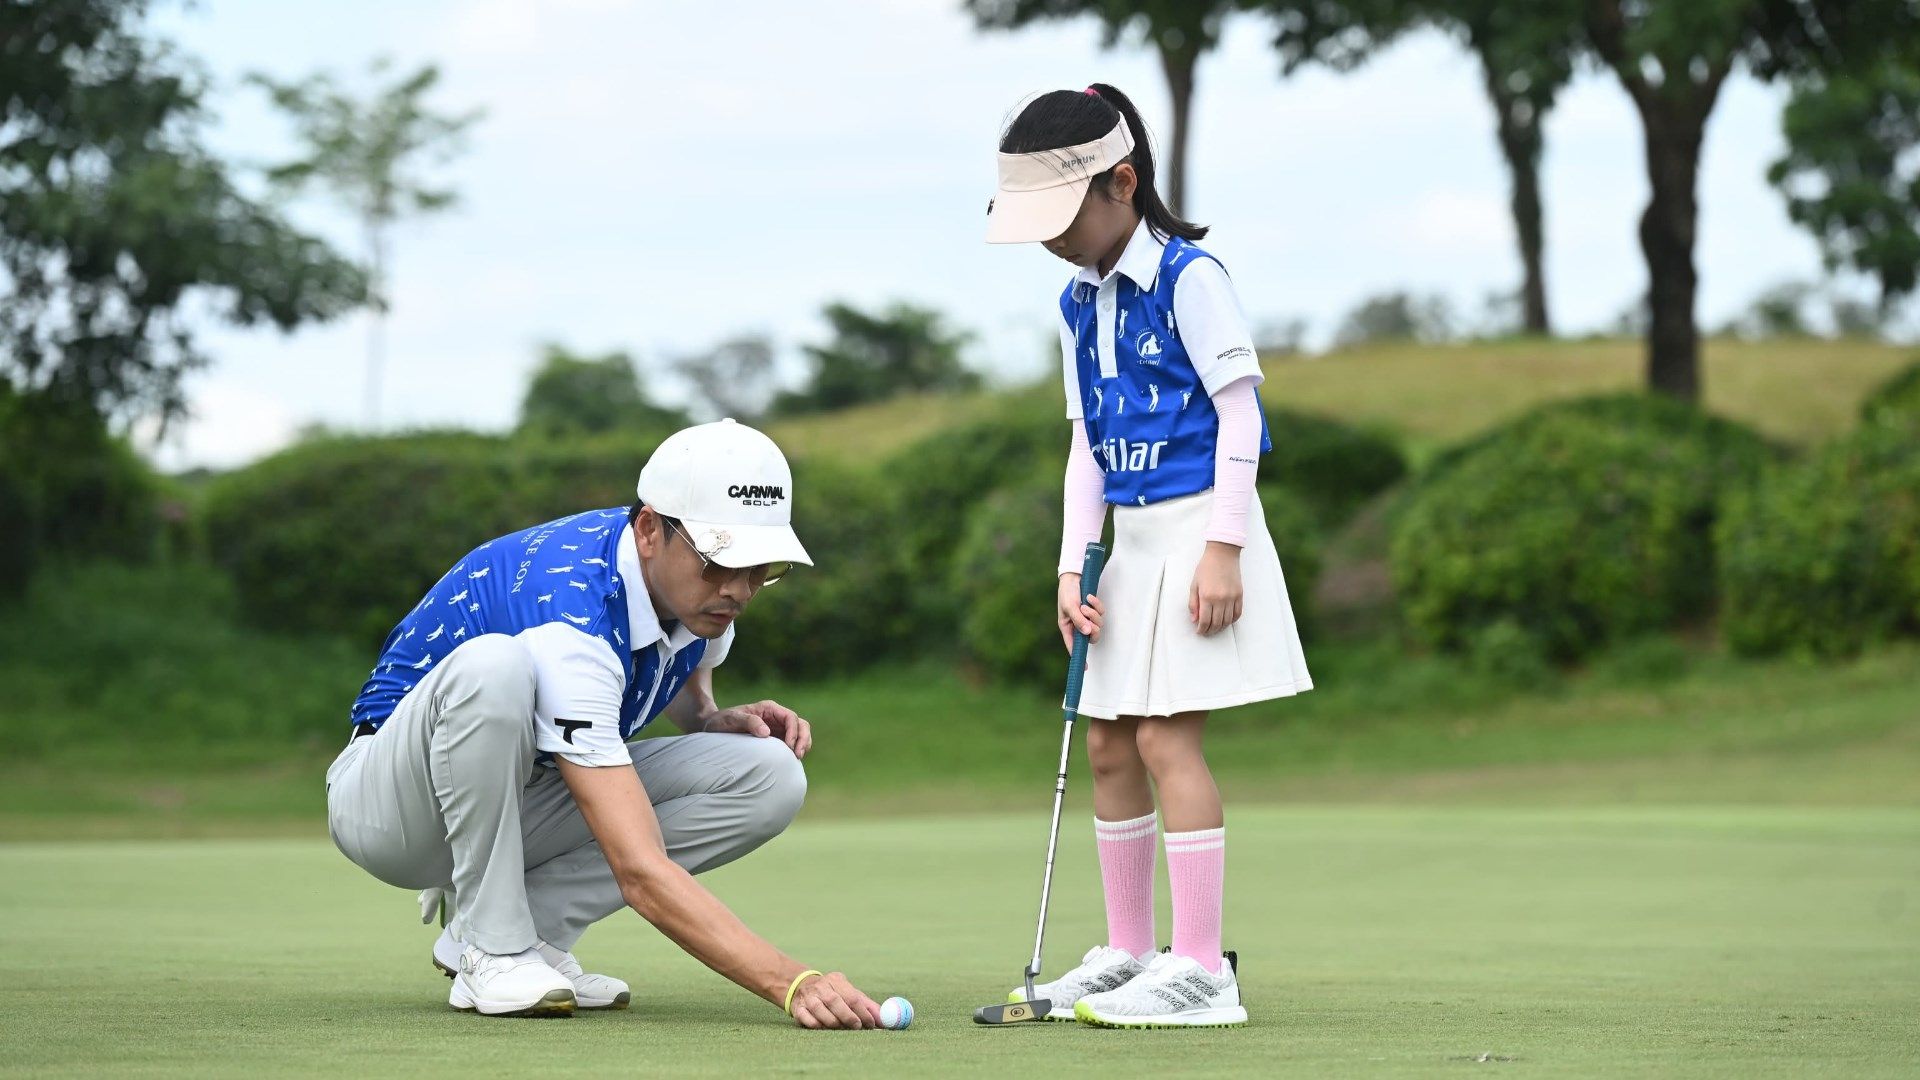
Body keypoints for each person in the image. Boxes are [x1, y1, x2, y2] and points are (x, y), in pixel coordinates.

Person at [324, 419, 883, 1028]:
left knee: (770, 773)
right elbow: (638, 869)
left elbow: (683, 687)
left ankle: (523, 935)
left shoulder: (696, 599)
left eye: (759, 567)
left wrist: (712, 718)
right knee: (497, 663)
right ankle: (494, 944)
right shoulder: (575, 620)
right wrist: (791, 982)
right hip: (392, 810)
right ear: (649, 528)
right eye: (719, 560)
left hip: (516, 797)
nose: (739, 589)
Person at [985, 84, 1314, 1028]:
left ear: (1121, 184)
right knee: (1108, 742)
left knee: (1170, 737)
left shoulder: (1190, 279)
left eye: (1060, 214)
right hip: (1125, 546)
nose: (1048, 238)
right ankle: (1130, 951)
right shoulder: (1074, 300)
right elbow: (1086, 443)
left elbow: (1242, 413)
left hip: (1198, 532)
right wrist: (1068, 565)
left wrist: (1225, 548)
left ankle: (1203, 966)